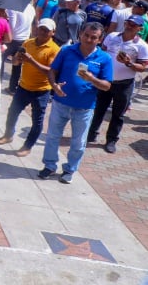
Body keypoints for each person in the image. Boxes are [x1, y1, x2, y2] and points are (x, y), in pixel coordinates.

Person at [39, 22, 113, 184]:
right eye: (86, 35)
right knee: (52, 136)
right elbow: (52, 70)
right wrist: (54, 86)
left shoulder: (104, 59)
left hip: (85, 107)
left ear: (100, 40)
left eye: (93, 37)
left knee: (78, 143)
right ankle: (49, 165)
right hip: (61, 102)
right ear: (80, 34)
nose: (88, 39)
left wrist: (92, 79)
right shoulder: (66, 51)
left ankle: (69, 170)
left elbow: (107, 86)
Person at [0, 18, 60, 156]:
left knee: (37, 120)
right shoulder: (28, 43)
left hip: (41, 90)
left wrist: (31, 61)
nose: (42, 32)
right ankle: (8, 135)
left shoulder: (54, 50)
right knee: (12, 112)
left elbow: (50, 71)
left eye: (46, 30)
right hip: (24, 86)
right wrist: (18, 59)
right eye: (41, 28)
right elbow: (16, 62)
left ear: (52, 32)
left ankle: (27, 146)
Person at [86, 15, 148, 153]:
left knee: (118, 114)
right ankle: (91, 134)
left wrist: (129, 63)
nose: (129, 26)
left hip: (124, 84)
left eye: (133, 24)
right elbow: (102, 52)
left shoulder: (142, 46)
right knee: (99, 110)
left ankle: (111, 140)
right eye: (128, 23)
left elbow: (143, 67)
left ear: (140, 28)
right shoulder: (112, 36)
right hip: (106, 80)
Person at [2, 3, 36, 92]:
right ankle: (12, 88)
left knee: (0, 61)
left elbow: (11, 26)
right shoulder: (31, 8)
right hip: (24, 40)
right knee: (17, 65)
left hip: (12, 39)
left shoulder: (13, 7)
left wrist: (5, 38)